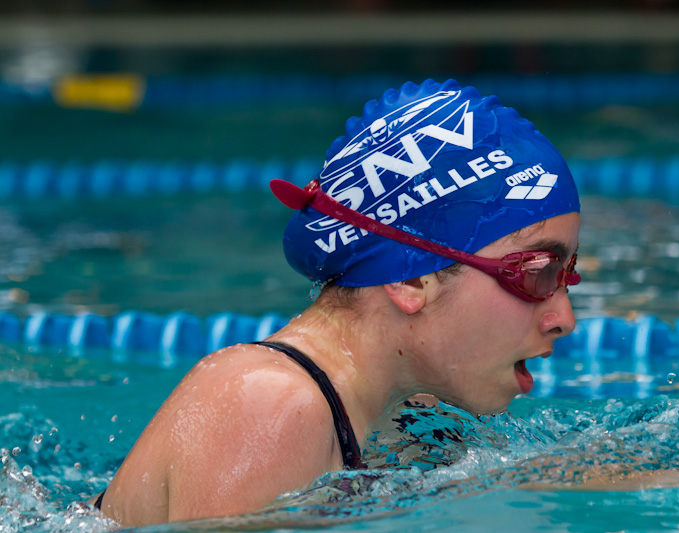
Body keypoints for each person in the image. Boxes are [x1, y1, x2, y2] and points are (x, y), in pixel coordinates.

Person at [92, 79, 582, 526]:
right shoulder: (265, 404)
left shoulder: (412, 411)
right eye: (538, 273)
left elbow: (559, 476)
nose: (565, 319)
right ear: (412, 279)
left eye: (567, 275)